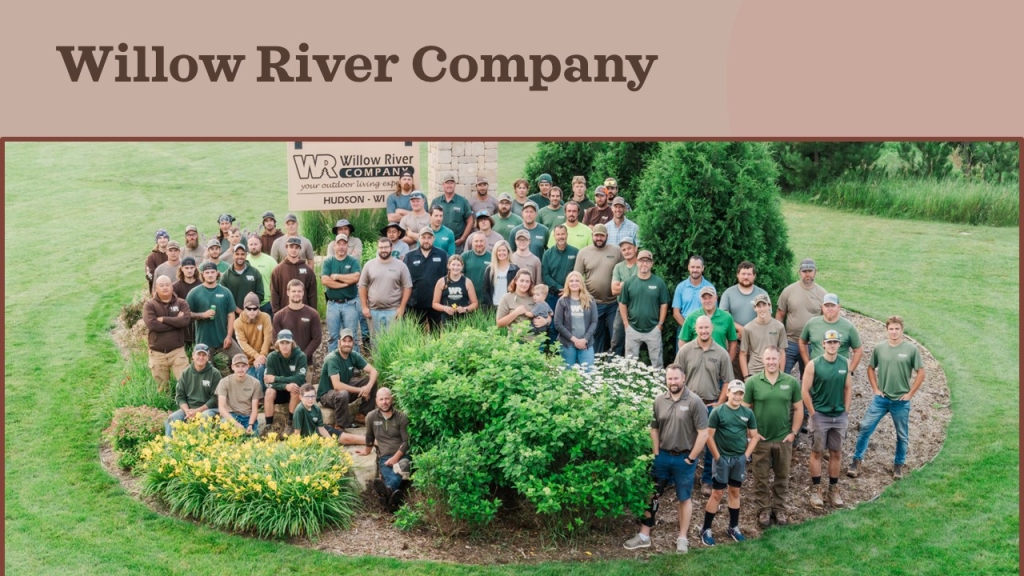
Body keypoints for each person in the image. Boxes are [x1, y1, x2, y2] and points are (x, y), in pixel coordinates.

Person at [623, 364, 708, 554]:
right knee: (652, 495)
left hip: (684, 459)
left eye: (676, 378)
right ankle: (644, 535)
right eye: (670, 379)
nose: (673, 382)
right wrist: (656, 453)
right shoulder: (659, 400)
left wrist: (691, 458)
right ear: (666, 379)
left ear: (683, 378)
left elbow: (703, 434)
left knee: (684, 498)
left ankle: (682, 538)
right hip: (662, 457)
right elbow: (654, 428)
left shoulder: (695, 402)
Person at [849, 316, 926, 480]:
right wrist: (875, 389)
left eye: (897, 328)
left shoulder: (911, 349)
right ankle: (856, 461)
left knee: (902, 435)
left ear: (902, 330)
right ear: (886, 330)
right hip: (881, 400)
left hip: (901, 401)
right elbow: (870, 368)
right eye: (891, 329)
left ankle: (898, 465)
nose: (894, 332)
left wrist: (910, 394)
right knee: (865, 428)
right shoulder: (880, 348)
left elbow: (921, 372)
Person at [674, 315, 734, 496]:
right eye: (700, 328)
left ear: (712, 328)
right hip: (689, 404)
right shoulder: (685, 351)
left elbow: (728, 382)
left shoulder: (721, 353)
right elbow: (676, 377)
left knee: (709, 444)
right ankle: (683, 478)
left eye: (707, 328)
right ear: (696, 329)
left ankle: (707, 479)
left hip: (710, 405)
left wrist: (720, 403)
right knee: (684, 442)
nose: (704, 331)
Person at [743, 346, 802, 527]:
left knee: (782, 476)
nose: (771, 362)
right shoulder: (753, 382)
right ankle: (764, 510)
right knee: (760, 477)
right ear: (763, 360)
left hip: (783, 439)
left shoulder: (791, 382)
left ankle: (779, 509)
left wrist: (793, 433)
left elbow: (799, 408)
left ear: (779, 360)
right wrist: (752, 433)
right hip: (761, 440)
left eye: (774, 359)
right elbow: (745, 409)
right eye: (767, 359)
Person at [700, 380, 758, 547]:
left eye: (740, 393)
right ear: (728, 393)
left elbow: (754, 436)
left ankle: (733, 527)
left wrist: (746, 455)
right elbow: (709, 436)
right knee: (717, 494)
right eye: (734, 392)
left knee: (734, 492)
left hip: (738, 459)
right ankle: (706, 528)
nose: (737, 396)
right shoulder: (718, 412)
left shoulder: (748, 413)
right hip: (722, 459)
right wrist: (717, 457)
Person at [801, 329, 852, 509]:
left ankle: (833, 489)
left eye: (835, 342)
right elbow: (804, 391)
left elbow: (847, 388)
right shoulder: (814, 364)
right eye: (829, 342)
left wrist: (845, 411)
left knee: (836, 453)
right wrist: (813, 413)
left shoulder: (845, 363)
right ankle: (816, 490)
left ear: (839, 344)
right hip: (820, 415)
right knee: (817, 452)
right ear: (823, 344)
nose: (832, 345)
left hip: (839, 416)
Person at [356, 387, 412, 511]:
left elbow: (406, 441)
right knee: (391, 474)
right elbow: (369, 436)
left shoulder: (401, 417)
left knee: (401, 469)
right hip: (385, 457)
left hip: (402, 456)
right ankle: (391, 501)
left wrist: (396, 457)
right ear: (376, 401)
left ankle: (387, 493)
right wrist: (367, 450)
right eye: (381, 399)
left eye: (387, 398)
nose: (384, 402)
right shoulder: (371, 417)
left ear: (392, 399)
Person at [573, 223, 624, 354]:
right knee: (594, 335)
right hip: (592, 302)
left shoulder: (616, 251)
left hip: (613, 302)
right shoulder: (583, 253)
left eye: (602, 236)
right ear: (592, 236)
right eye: (596, 235)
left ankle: (616, 363)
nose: (599, 238)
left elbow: (624, 271)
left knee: (616, 335)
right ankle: (595, 362)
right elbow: (577, 277)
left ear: (607, 236)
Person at [317, 329, 380, 428]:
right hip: (327, 395)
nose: (347, 344)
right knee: (343, 393)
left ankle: (362, 415)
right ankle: (340, 426)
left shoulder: (353, 355)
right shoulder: (333, 358)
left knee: (371, 381)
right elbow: (337, 386)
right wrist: (361, 390)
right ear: (339, 342)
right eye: (344, 341)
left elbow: (374, 371)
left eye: (349, 341)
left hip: (344, 391)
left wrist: (368, 387)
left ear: (353, 343)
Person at [618, 250, 670, 369]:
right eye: (642, 261)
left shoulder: (659, 283)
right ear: (637, 262)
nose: (644, 264)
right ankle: (630, 387)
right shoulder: (628, 282)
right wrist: (626, 323)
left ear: (652, 264)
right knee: (629, 365)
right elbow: (622, 303)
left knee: (657, 364)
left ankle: (658, 385)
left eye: (648, 261)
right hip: (633, 329)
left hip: (653, 329)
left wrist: (660, 324)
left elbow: (664, 304)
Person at [776, 258, 828, 377]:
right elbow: (780, 314)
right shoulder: (789, 291)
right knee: (781, 375)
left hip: (811, 344)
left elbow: (825, 320)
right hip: (790, 343)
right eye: (804, 271)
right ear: (799, 272)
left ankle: (806, 396)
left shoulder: (823, 294)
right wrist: (780, 337)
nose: (807, 274)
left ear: (816, 272)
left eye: (810, 271)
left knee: (809, 379)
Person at [185, 262, 244, 360]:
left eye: (212, 272)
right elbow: (187, 315)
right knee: (205, 368)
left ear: (217, 273)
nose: (210, 275)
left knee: (240, 358)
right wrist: (202, 315)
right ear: (202, 274)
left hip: (223, 338)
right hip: (203, 341)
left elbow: (231, 315)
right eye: (207, 272)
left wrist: (229, 336)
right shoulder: (194, 293)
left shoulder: (225, 292)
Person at [143, 275, 192, 392]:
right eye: (161, 285)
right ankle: (165, 408)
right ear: (156, 289)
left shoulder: (181, 303)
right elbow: (153, 325)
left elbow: (185, 321)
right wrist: (176, 321)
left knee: (188, 382)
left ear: (172, 286)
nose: (165, 287)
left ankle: (190, 406)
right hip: (157, 353)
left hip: (177, 351)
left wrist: (164, 319)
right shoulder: (149, 305)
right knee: (162, 389)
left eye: (167, 284)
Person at [358, 237, 413, 336]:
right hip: (373, 311)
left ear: (391, 248)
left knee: (393, 342)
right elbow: (362, 286)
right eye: (381, 247)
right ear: (377, 248)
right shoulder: (369, 265)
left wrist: (402, 307)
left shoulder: (401, 266)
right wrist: (364, 307)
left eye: (386, 247)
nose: (383, 250)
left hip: (393, 311)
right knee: (375, 342)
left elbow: (407, 287)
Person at [164, 343, 221, 437]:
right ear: (193, 356)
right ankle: (169, 449)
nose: (201, 358)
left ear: (208, 357)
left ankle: (201, 447)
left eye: (204, 355)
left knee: (204, 417)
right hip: (189, 409)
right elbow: (180, 397)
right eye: (199, 354)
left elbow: (215, 398)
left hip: (208, 409)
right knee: (172, 418)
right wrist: (187, 411)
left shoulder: (215, 374)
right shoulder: (186, 373)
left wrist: (198, 411)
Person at [271, 279, 322, 382]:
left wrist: (302, 356)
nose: (296, 294)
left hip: (306, 363)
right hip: (284, 364)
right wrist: (289, 356)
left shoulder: (313, 314)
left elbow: (317, 338)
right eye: (293, 291)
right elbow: (275, 340)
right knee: (285, 395)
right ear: (288, 292)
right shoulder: (279, 316)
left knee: (305, 394)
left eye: (299, 291)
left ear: (303, 293)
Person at [799, 293, 863, 372]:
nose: (829, 308)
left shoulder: (848, 327)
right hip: (817, 371)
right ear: (822, 307)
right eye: (826, 306)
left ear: (839, 307)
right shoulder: (812, 323)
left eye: (833, 306)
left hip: (839, 372)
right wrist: (807, 363)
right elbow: (802, 342)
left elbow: (858, 350)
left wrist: (850, 370)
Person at [321, 233, 363, 353]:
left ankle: (354, 364)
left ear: (347, 246)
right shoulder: (328, 262)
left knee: (352, 335)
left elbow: (355, 277)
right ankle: (332, 363)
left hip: (350, 303)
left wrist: (336, 276)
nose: (341, 247)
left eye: (344, 244)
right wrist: (344, 284)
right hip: (333, 304)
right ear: (334, 246)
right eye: (338, 244)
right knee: (333, 336)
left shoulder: (353, 261)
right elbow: (325, 280)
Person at [263, 329, 308, 434]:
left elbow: (299, 379)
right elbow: (268, 381)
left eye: (287, 342)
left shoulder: (301, 356)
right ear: (277, 344)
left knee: (296, 388)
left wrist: (277, 378)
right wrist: (285, 386)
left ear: (292, 343)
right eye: (282, 343)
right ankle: (269, 425)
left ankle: (290, 423)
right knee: (269, 391)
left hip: (294, 392)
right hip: (279, 391)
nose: (285, 346)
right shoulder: (271, 357)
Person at [292, 383, 366, 445]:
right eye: (307, 396)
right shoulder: (299, 410)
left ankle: (373, 441)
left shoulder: (316, 408)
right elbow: (297, 433)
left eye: (312, 396)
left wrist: (331, 442)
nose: (310, 399)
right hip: (310, 439)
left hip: (319, 432)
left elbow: (321, 428)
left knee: (346, 437)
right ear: (301, 397)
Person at [405, 226, 449, 328]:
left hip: (436, 302)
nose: (426, 240)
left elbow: (448, 276)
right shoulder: (409, 256)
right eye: (423, 237)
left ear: (433, 239)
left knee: (436, 333)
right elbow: (404, 279)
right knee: (416, 334)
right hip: (416, 303)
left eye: (429, 238)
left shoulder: (442, 255)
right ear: (419, 238)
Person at [679, 286, 739, 360]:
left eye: (710, 297)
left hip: (719, 360)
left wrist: (728, 362)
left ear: (716, 298)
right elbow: (683, 341)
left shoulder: (727, 317)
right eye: (704, 298)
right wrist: (687, 360)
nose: (707, 301)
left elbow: (733, 343)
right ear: (700, 300)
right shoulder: (691, 317)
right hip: (697, 360)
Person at [553, 271, 597, 368]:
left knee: (588, 373)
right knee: (567, 375)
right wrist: (575, 340)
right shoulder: (562, 301)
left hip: (586, 344)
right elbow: (558, 324)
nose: (574, 283)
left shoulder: (590, 300)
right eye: (571, 281)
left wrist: (584, 339)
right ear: (567, 284)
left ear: (581, 283)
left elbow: (594, 322)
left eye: (577, 281)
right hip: (567, 344)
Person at [740, 294, 788, 380]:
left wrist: (781, 374)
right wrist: (746, 377)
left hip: (773, 369)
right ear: (755, 308)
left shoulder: (779, 326)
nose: (762, 309)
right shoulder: (748, 328)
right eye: (759, 306)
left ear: (769, 306)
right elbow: (743, 354)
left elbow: (782, 352)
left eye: (764, 305)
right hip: (754, 371)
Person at [719, 262, 770, 341]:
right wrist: (740, 329)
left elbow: (767, 316)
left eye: (749, 274)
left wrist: (748, 331)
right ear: (737, 275)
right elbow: (723, 316)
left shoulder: (762, 294)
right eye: (743, 274)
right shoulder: (728, 293)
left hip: (756, 338)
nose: (746, 277)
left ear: (754, 276)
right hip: (734, 337)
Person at [216, 354, 263, 436]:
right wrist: (236, 424)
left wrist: (250, 424)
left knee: (253, 438)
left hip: (248, 416)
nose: (240, 369)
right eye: (237, 366)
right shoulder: (224, 382)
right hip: (232, 416)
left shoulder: (255, 383)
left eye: (243, 366)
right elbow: (221, 408)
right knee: (226, 434)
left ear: (247, 367)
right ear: (232, 367)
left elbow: (255, 409)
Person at [270, 237, 317, 314]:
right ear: (286, 248)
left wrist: (313, 314)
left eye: (296, 247)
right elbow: (274, 294)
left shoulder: (308, 271)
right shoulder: (277, 270)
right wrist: (276, 314)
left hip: (304, 313)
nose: (294, 250)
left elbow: (312, 295)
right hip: (284, 314)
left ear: (300, 249)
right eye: (291, 247)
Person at [233, 292, 272, 387]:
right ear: (244, 308)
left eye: (255, 308)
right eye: (249, 308)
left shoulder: (265, 317)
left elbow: (268, 337)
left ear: (259, 308)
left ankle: (262, 395)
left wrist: (261, 356)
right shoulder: (238, 323)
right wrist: (256, 356)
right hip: (249, 362)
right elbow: (243, 343)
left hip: (265, 358)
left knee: (260, 368)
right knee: (249, 382)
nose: (252, 311)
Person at [610, 236, 639, 356]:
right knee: (617, 339)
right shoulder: (618, 267)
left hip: (638, 308)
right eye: (624, 250)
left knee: (637, 341)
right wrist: (630, 283)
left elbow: (639, 288)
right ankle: (613, 367)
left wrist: (623, 284)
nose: (627, 251)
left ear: (635, 248)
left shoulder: (641, 265)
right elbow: (614, 290)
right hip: (622, 308)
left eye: (629, 248)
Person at [431, 172, 474, 252]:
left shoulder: (462, 201)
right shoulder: (436, 201)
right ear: (443, 185)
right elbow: (430, 220)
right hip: (438, 242)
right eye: (447, 183)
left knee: (455, 264)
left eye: (451, 183)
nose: (449, 185)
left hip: (456, 243)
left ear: (455, 185)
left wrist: (463, 238)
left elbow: (470, 221)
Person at [432, 254, 479, 325]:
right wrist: (445, 308)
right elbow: (435, 304)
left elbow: (475, 303)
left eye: (458, 265)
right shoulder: (441, 282)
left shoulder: (467, 282)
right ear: (448, 266)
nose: (455, 267)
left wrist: (465, 309)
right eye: (453, 265)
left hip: (463, 320)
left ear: (462, 266)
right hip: (446, 320)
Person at [496, 269, 547, 335]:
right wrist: (516, 312)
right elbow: (499, 324)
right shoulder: (507, 298)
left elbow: (549, 314)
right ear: (516, 281)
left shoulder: (535, 297)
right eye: (521, 280)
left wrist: (545, 321)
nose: (524, 284)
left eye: (527, 281)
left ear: (530, 283)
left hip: (536, 341)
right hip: (516, 340)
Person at [540, 224, 579, 310]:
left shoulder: (575, 252)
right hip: (553, 295)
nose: (560, 237)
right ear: (554, 236)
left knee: (570, 321)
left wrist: (568, 289)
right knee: (553, 320)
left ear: (567, 235)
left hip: (571, 294)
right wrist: (560, 288)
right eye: (558, 234)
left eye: (563, 234)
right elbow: (545, 275)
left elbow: (577, 273)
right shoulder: (547, 254)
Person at [220, 243, 264, 316]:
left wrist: (249, 309)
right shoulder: (226, 275)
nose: (240, 257)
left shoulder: (255, 272)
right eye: (237, 254)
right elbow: (224, 298)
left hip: (253, 314)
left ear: (246, 255)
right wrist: (238, 310)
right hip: (233, 317)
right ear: (233, 255)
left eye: (242, 254)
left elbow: (260, 295)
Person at [672, 255, 714, 328]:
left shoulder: (710, 288)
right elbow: (676, 313)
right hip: (684, 329)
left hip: (704, 330)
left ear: (702, 268)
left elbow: (713, 311)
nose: (695, 270)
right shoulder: (680, 287)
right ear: (688, 267)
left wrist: (702, 328)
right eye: (692, 267)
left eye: (698, 267)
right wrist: (688, 328)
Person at [481, 240, 519, 310]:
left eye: (504, 250)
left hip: (509, 307)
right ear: (495, 253)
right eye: (499, 250)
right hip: (493, 307)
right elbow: (485, 290)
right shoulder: (490, 269)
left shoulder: (515, 269)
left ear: (508, 252)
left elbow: (517, 290)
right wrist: (491, 306)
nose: (501, 253)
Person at [246, 233, 276, 317]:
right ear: (248, 246)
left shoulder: (270, 261)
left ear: (261, 245)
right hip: (248, 306)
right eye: (251, 244)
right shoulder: (244, 260)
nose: (253, 246)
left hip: (266, 303)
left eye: (256, 244)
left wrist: (272, 299)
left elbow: (277, 281)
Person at [461, 233, 491, 298]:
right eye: (476, 241)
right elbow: (459, 275)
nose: (479, 244)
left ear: (485, 242)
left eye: (481, 241)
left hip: (486, 297)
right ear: (472, 243)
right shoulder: (465, 256)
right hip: (467, 296)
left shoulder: (492, 257)